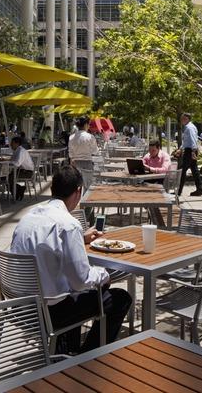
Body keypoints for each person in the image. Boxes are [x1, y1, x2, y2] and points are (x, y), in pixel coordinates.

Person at [10, 165, 132, 353]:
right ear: (78, 191)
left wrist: (80, 239)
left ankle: (67, 345)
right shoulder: (68, 224)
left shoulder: (29, 217)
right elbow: (81, 281)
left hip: (19, 307)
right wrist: (104, 275)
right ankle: (88, 355)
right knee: (120, 298)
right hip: (48, 313)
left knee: (74, 290)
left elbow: (44, 246)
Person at [177, 112, 202, 197]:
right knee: (194, 171)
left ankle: (178, 191)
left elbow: (192, 140)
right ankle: (199, 190)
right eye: (181, 119)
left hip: (190, 151)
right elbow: (186, 141)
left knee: (182, 171)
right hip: (191, 150)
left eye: (183, 119)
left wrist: (193, 151)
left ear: (187, 119)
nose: (181, 120)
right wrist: (180, 149)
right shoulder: (190, 127)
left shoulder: (189, 128)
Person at [10, 134, 35, 201]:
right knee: (5, 177)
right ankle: (19, 190)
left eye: (12, 143)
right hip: (22, 170)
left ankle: (17, 192)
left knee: (9, 177)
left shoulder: (21, 151)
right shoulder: (17, 150)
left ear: (17, 143)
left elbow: (17, 163)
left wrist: (7, 161)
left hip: (27, 172)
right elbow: (12, 160)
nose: (10, 145)